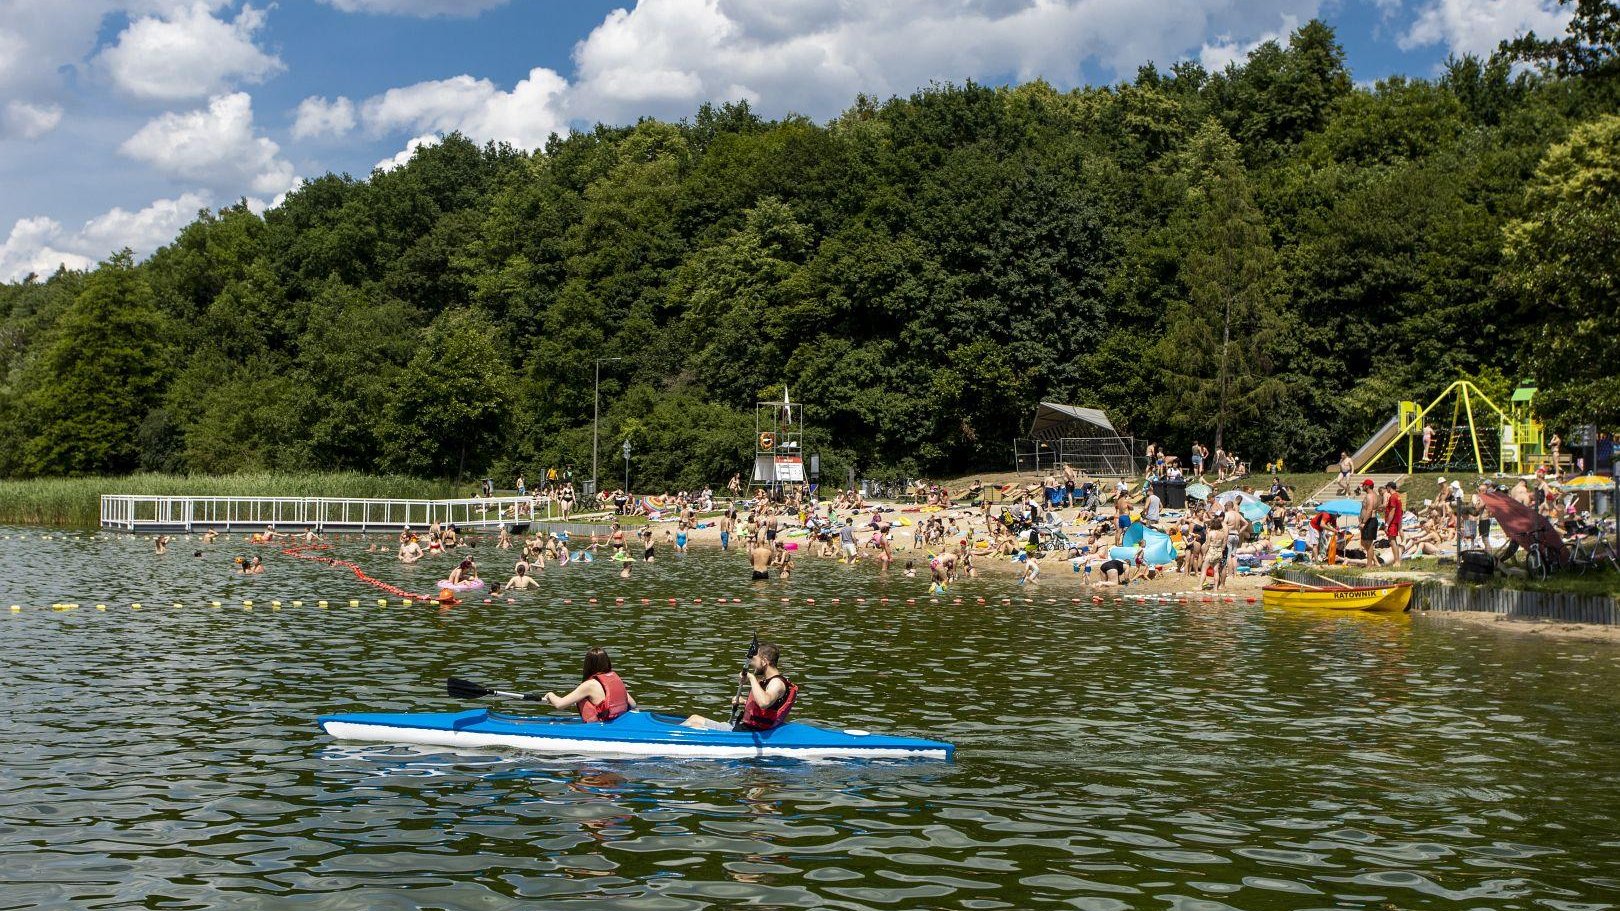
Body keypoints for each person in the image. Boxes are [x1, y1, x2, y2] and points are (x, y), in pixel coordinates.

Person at [683, 642, 796, 732]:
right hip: (745, 727)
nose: (752, 663)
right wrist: (744, 701)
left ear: (764, 661)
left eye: (754, 660)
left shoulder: (777, 683)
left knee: (694, 723)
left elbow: (764, 703)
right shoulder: (769, 681)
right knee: (694, 718)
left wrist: (751, 678)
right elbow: (770, 707)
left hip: (748, 732)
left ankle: (673, 738)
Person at [543, 647, 636, 722]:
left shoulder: (589, 685)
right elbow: (633, 704)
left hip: (599, 727)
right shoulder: (614, 679)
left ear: (588, 665)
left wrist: (550, 695)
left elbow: (560, 704)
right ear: (607, 662)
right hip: (617, 721)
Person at [1358, 479, 1381, 568]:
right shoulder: (1375, 495)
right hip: (1370, 520)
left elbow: (1369, 509)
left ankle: (1369, 565)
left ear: (1367, 486)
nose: (1362, 487)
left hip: (1369, 521)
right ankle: (1374, 562)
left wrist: (1364, 522)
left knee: (1368, 543)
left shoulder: (1370, 496)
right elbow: (1377, 508)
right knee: (1364, 542)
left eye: (1363, 485)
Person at [1383, 481, 1405, 567]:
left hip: (1392, 522)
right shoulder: (1398, 496)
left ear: (1389, 487)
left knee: (1392, 541)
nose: (1386, 489)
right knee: (1393, 541)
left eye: (1386, 488)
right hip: (1396, 520)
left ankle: (1397, 561)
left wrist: (1387, 524)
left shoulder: (1393, 497)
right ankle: (1397, 560)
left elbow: (1392, 511)